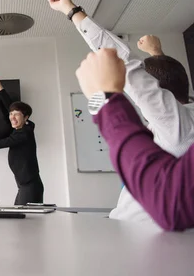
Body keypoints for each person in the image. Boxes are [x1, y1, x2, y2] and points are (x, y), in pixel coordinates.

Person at [48, 0, 194, 223]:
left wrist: (71, 10)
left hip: (136, 237)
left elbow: (127, 64)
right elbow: (170, 86)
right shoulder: (184, 118)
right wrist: (156, 52)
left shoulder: (175, 127)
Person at [75, 48, 194, 231]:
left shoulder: (177, 124)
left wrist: (102, 96)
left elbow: (171, 202)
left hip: (147, 242)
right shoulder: (176, 123)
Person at [0, 74, 43, 205]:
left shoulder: (22, 134)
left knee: (27, 223)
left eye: (16, 115)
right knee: (20, 220)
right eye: (10, 114)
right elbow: (10, 105)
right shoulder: (25, 126)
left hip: (29, 186)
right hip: (24, 184)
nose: (12, 117)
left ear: (26, 117)